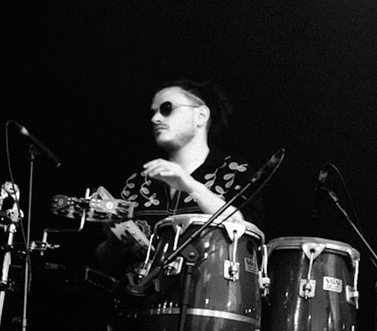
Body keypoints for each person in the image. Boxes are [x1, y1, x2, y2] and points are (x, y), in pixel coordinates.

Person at [92, 79, 261, 278]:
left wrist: (190, 185)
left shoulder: (234, 172)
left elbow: (246, 235)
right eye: (152, 112)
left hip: (207, 301)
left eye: (166, 108)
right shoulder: (138, 181)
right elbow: (103, 264)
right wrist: (114, 242)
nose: (155, 118)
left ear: (201, 115)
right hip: (142, 304)